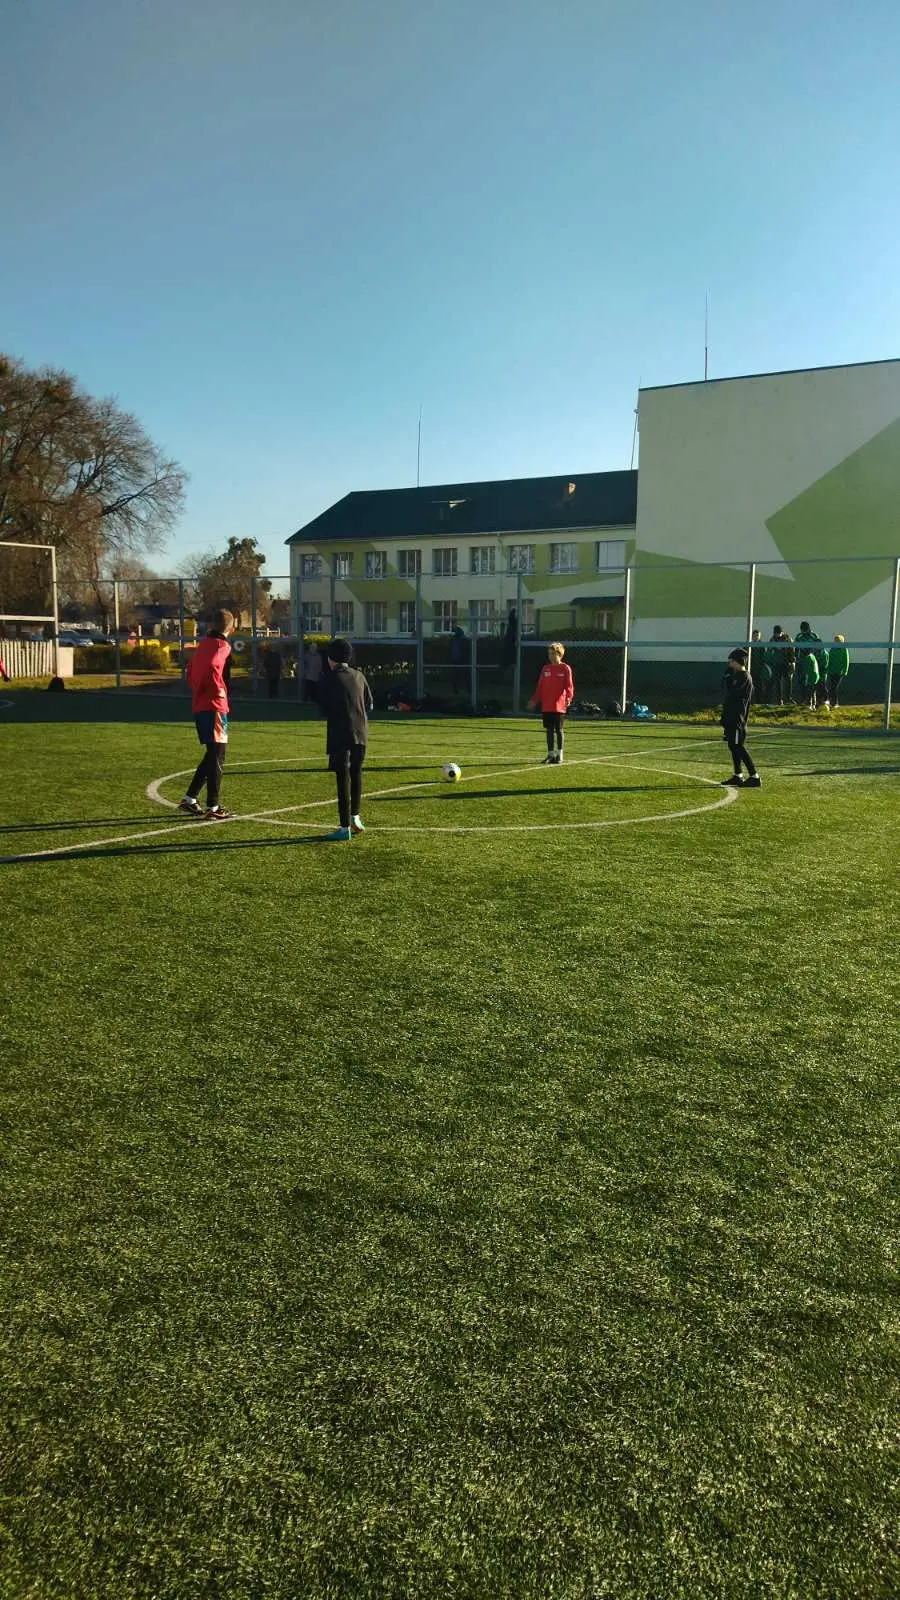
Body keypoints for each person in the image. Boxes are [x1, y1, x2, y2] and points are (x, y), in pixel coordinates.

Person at [317, 637, 373, 841]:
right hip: (361, 732)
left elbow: (323, 708)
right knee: (356, 773)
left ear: (330, 658)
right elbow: (369, 704)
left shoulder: (328, 679)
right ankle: (355, 816)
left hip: (340, 734)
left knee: (343, 778)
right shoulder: (359, 675)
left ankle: (343, 827)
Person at [180, 609, 235, 820]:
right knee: (218, 754)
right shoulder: (222, 646)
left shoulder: (202, 645)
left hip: (200, 705)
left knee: (212, 754)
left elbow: (190, 671)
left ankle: (190, 798)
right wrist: (217, 690)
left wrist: (199, 689)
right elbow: (213, 666)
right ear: (231, 628)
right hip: (214, 706)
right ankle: (213, 806)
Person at [528, 641, 574, 764]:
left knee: (559, 730)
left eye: (554, 654)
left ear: (560, 654)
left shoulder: (565, 668)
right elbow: (540, 687)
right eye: (549, 654)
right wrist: (534, 700)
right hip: (547, 705)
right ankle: (550, 755)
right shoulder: (545, 669)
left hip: (559, 706)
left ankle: (559, 754)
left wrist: (568, 698)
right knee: (549, 730)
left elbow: (569, 686)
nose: (551, 656)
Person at [721, 648, 761, 788]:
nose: (729, 663)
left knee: (739, 747)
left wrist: (728, 680)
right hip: (731, 717)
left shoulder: (744, 677)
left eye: (731, 661)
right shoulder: (736, 675)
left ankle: (754, 776)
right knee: (732, 746)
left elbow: (736, 694)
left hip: (738, 718)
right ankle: (738, 775)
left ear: (737, 661)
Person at [769, 626, 795, 705]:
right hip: (776, 664)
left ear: (782, 632)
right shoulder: (772, 640)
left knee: (788, 681)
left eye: (779, 633)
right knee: (777, 682)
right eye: (776, 634)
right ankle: (779, 700)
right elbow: (769, 651)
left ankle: (788, 698)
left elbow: (792, 651)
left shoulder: (787, 639)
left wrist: (792, 662)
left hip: (786, 663)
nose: (778, 635)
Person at [749, 629, 772, 705]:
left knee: (759, 686)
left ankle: (759, 702)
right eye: (755, 636)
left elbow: (764, 657)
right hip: (751, 669)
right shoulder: (748, 645)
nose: (756, 637)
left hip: (759, 669)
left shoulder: (761, 646)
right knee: (750, 686)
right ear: (752, 636)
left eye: (757, 636)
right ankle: (749, 701)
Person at [828, 634, 850, 707]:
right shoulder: (832, 649)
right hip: (832, 671)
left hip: (839, 672)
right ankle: (832, 702)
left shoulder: (844, 650)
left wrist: (845, 671)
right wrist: (828, 670)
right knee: (831, 687)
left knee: (834, 687)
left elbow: (846, 661)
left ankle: (835, 703)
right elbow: (829, 659)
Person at [449, 624, 467, 695]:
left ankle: (456, 688)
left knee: (457, 674)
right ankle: (460, 688)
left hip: (456, 659)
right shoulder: (460, 639)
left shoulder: (454, 639)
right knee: (460, 674)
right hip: (459, 659)